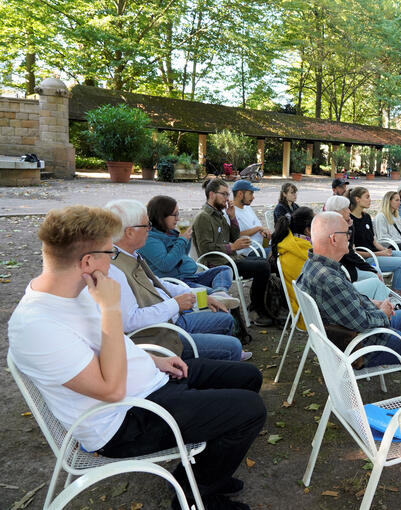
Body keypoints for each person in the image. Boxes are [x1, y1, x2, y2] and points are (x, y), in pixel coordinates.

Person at [7, 205, 266, 510]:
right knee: (251, 410)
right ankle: (199, 498)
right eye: (109, 252)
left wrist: (153, 360)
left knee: (248, 377)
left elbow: (111, 345)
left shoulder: (78, 290)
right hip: (123, 421)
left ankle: (198, 474)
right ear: (88, 261)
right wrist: (110, 310)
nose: (113, 259)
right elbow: (112, 391)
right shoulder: (37, 326)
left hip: (148, 383)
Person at [297, 212, 401, 391]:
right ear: (333, 239)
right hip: (364, 344)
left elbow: (349, 297)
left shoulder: (314, 265)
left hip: (354, 333)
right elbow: (363, 322)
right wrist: (383, 314)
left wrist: (375, 303)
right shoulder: (329, 278)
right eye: (347, 233)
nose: (350, 237)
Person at [105, 200, 249, 362]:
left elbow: (158, 283)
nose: (149, 229)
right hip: (159, 336)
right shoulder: (114, 269)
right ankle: (205, 368)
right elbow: (130, 321)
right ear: (129, 232)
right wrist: (176, 304)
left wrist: (197, 295)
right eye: (146, 226)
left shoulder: (131, 255)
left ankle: (209, 362)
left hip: (171, 320)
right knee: (233, 346)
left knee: (226, 318)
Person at [193, 178, 272, 326]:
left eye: (227, 194)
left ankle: (260, 306)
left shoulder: (220, 215)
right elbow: (205, 249)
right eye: (223, 194)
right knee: (263, 267)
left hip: (231, 259)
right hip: (218, 265)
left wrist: (232, 217)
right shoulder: (203, 217)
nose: (227, 198)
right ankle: (256, 310)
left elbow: (234, 237)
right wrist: (232, 248)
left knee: (265, 262)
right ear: (211, 194)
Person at [139, 195, 239, 309]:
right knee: (216, 298)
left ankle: (220, 292)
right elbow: (165, 265)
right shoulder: (150, 239)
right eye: (174, 215)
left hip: (189, 276)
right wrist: (182, 240)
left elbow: (182, 255)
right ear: (161, 216)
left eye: (178, 214)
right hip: (176, 282)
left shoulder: (170, 232)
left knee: (224, 270)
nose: (177, 219)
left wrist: (187, 239)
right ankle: (219, 299)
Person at [325, 195, 398, 301]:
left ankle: (386, 301)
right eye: (346, 209)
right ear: (338, 212)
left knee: (376, 271)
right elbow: (349, 253)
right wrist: (370, 269)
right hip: (345, 271)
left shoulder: (339, 226)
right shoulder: (335, 231)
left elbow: (350, 250)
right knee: (374, 277)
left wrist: (350, 227)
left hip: (348, 267)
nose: (349, 211)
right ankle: (383, 304)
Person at [348, 186, 401, 300]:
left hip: (376, 253)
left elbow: (373, 241)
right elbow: (354, 252)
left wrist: (383, 250)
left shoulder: (366, 216)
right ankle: (395, 295)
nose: (370, 200)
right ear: (357, 199)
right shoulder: (349, 220)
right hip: (367, 259)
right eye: (367, 197)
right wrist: (380, 254)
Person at [230, 180, 270, 257]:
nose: (253, 197)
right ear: (240, 194)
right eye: (250, 193)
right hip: (248, 252)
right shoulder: (230, 211)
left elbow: (258, 227)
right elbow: (235, 235)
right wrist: (258, 228)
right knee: (279, 254)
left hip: (260, 247)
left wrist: (263, 232)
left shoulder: (248, 208)